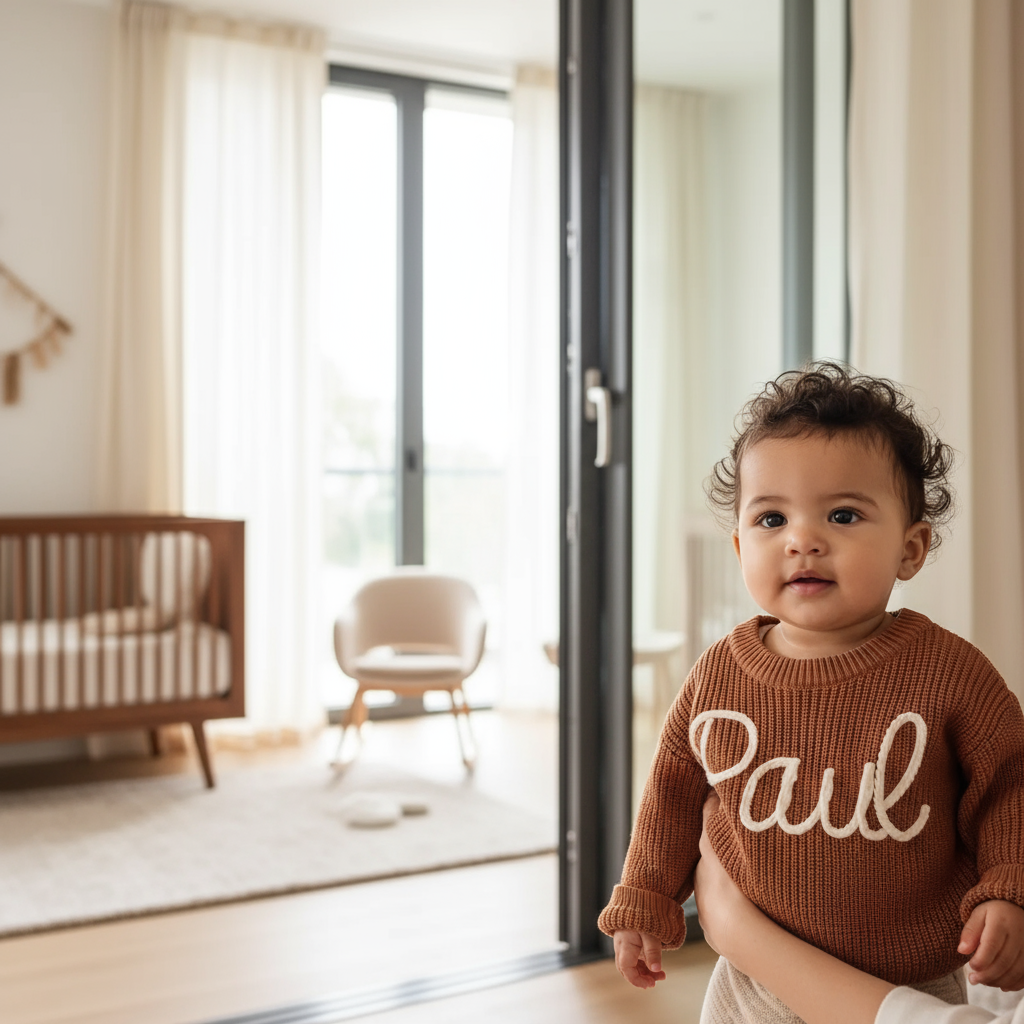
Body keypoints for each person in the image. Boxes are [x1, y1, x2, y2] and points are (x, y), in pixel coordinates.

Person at [597, 364, 1024, 1022]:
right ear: (741, 546)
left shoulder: (951, 673)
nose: (802, 539)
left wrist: (1007, 891)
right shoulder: (717, 675)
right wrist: (646, 899)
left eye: (844, 514)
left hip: (912, 980)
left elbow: (1009, 788)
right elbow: (672, 791)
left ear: (910, 550)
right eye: (771, 519)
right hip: (749, 983)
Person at [693, 790, 1024, 1024]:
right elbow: (675, 777)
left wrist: (1008, 883)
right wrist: (643, 896)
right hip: (749, 997)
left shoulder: (958, 696)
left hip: (915, 973)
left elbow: (1006, 784)